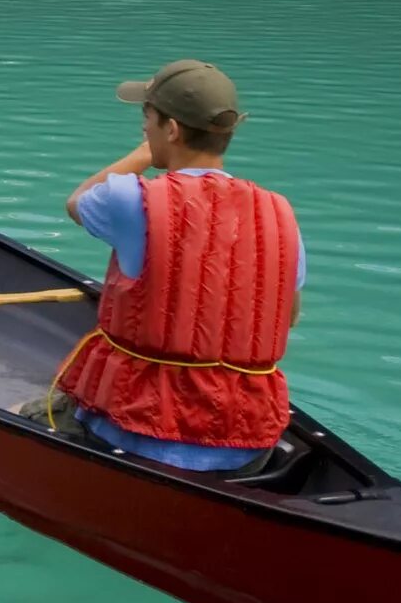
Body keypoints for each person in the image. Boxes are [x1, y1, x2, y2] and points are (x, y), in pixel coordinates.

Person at [29, 60, 307, 470]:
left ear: (171, 129)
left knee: (30, 410)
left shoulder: (132, 200)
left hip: (139, 431)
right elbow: (288, 318)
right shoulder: (280, 213)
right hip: (249, 440)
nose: (144, 129)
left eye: (147, 119)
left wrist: (147, 154)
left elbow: (77, 202)